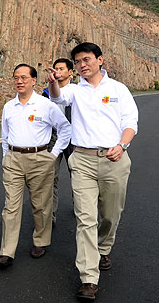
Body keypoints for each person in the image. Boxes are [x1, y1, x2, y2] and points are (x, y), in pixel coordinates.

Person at [47, 42, 138, 301]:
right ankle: (89, 277)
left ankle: (104, 247)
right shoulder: (75, 90)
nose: (82, 65)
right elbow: (57, 97)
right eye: (77, 62)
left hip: (114, 160)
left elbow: (130, 123)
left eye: (86, 59)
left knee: (110, 214)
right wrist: (54, 81)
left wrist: (122, 145)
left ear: (100, 60)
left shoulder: (119, 90)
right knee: (85, 219)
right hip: (83, 160)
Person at [0, 64, 71, 268]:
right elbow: (4, 135)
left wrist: (53, 155)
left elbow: (65, 128)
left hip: (40, 159)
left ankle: (40, 241)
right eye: (16, 77)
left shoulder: (46, 105)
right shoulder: (9, 106)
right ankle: (7, 251)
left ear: (34, 81)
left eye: (24, 78)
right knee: (10, 206)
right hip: (13, 160)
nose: (19, 81)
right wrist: (5, 156)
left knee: (40, 205)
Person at [41, 58, 75, 226]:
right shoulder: (47, 92)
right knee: (50, 177)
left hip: (74, 138)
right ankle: (50, 216)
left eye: (61, 69)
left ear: (70, 72)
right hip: (53, 137)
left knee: (77, 175)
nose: (58, 71)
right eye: (55, 68)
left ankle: (81, 207)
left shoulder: (78, 91)